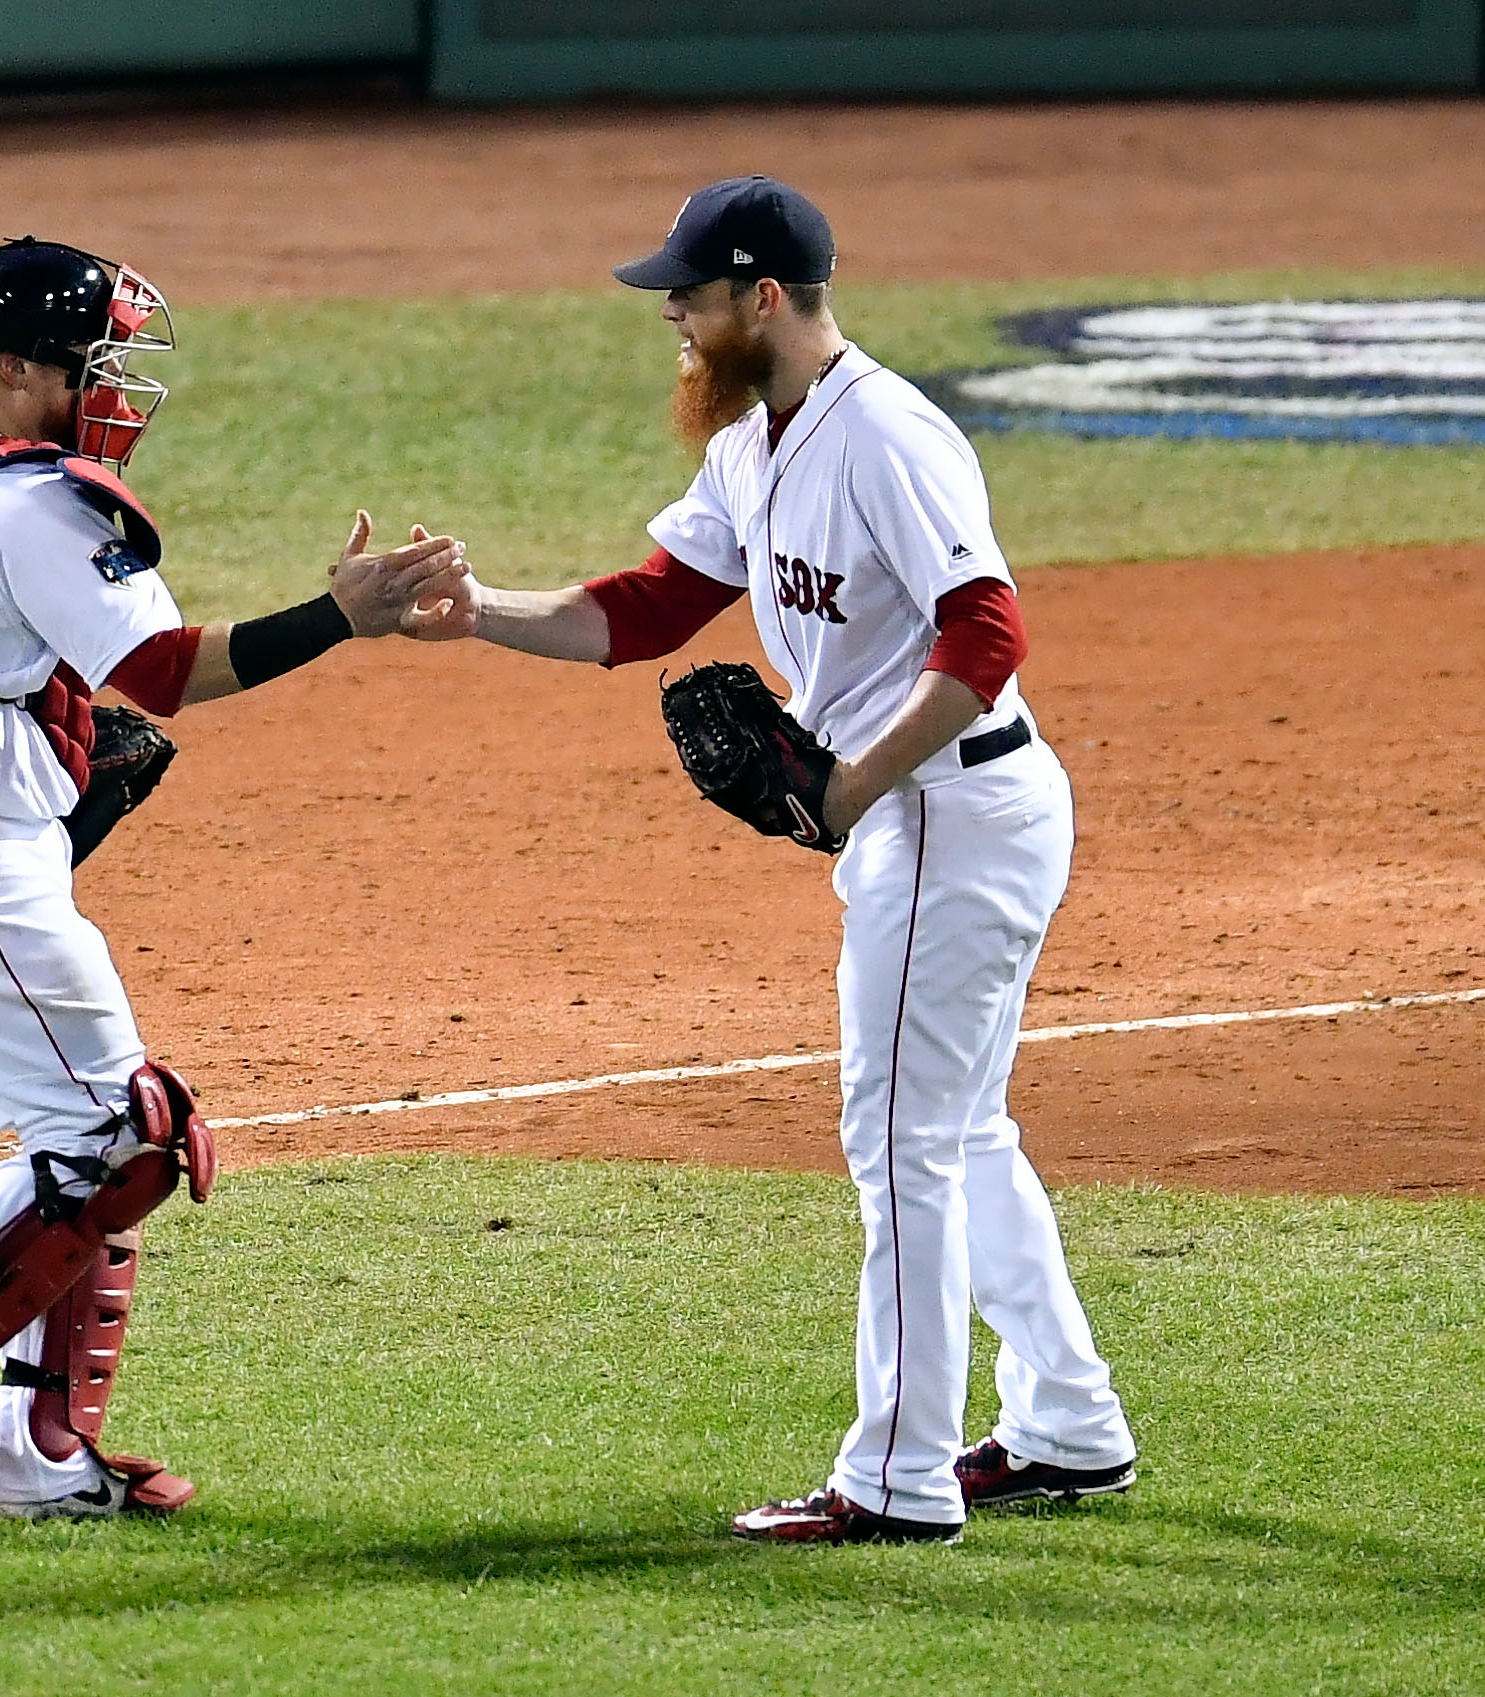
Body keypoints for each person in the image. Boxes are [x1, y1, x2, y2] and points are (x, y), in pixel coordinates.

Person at [433, 178, 1136, 1545]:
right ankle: (1065, 1424)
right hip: (919, 817)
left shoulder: (885, 435)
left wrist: (853, 785)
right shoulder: (756, 443)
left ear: (764, 297)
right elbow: (643, 610)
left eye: (689, 300)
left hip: (948, 810)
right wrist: (472, 614)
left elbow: (985, 632)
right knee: (957, 1133)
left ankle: (895, 1479)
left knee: (898, 1145)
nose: (675, 325)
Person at [0, 238, 470, 1524]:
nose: (117, 387)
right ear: (23, 365)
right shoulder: (27, 497)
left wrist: (36, 774)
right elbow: (161, 669)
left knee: (100, 1126)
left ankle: (38, 1453)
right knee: (118, 1134)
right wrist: (340, 613)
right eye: (97, 361)